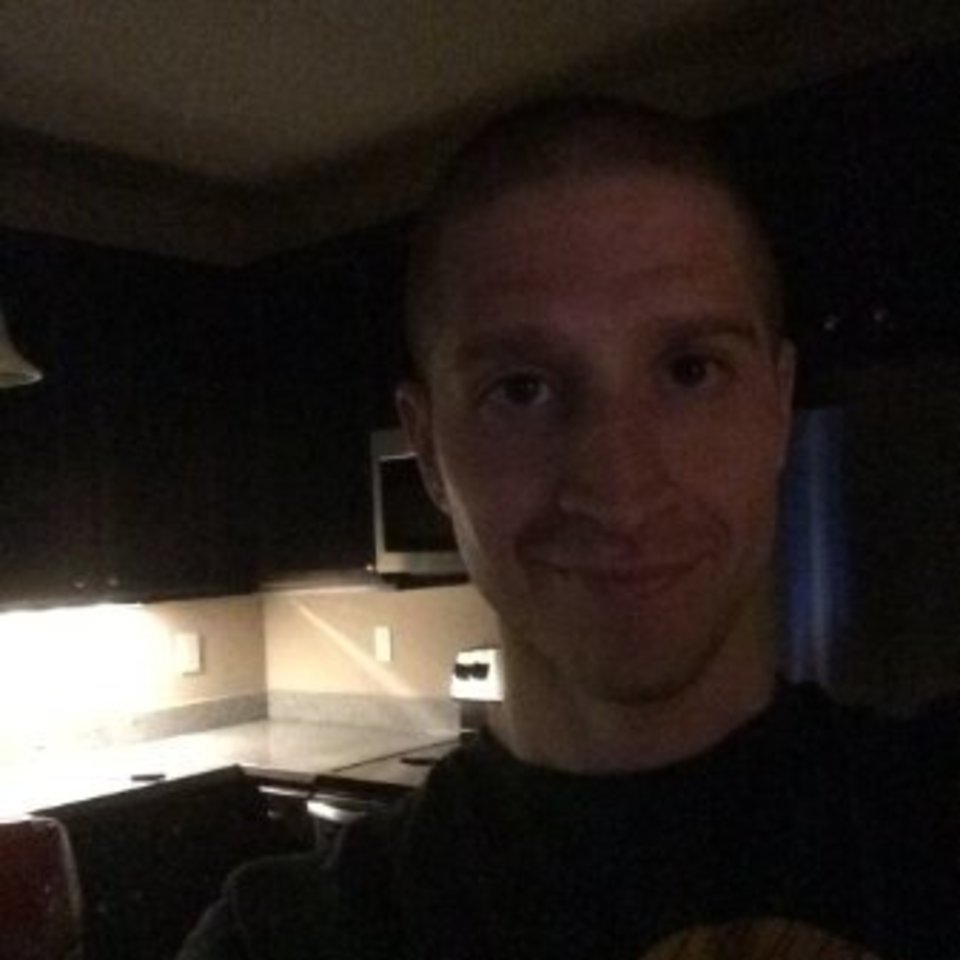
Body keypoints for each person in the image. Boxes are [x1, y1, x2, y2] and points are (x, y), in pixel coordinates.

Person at [179, 98, 959, 959]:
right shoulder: (284, 939)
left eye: (690, 370)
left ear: (777, 409)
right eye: (521, 389)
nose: (621, 493)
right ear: (428, 449)